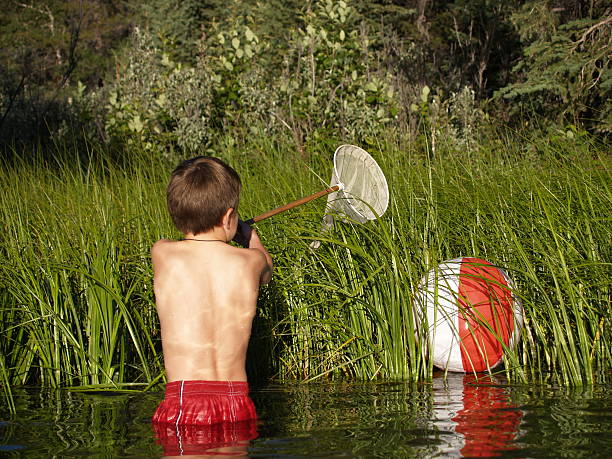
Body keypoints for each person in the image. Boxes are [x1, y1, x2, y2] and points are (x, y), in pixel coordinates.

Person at [150, 156, 273, 442]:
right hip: (235, 403)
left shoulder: (163, 253)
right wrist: (249, 235)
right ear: (229, 217)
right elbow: (267, 269)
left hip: (184, 402)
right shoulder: (250, 262)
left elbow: (185, 241)